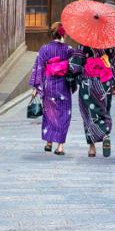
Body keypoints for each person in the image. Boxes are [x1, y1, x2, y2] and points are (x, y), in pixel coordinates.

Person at [70, 44, 115, 157]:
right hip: (105, 84)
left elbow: (75, 67)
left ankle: (92, 148)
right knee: (104, 111)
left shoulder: (83, 45)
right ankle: (105, 134)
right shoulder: (109, 44)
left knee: (88, 114)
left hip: (88, 84)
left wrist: (72, 80)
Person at [28, 22, 74, 155]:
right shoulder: (68, 49)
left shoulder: (44, 49)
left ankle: (49, 143)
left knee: (50, 113)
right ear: (63, 34)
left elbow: (39, 68)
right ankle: (60, 146)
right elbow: (74, 67)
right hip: (63, 86)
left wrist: (36, 86)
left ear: (52, 33)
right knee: (64, 114)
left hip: (49, 86)